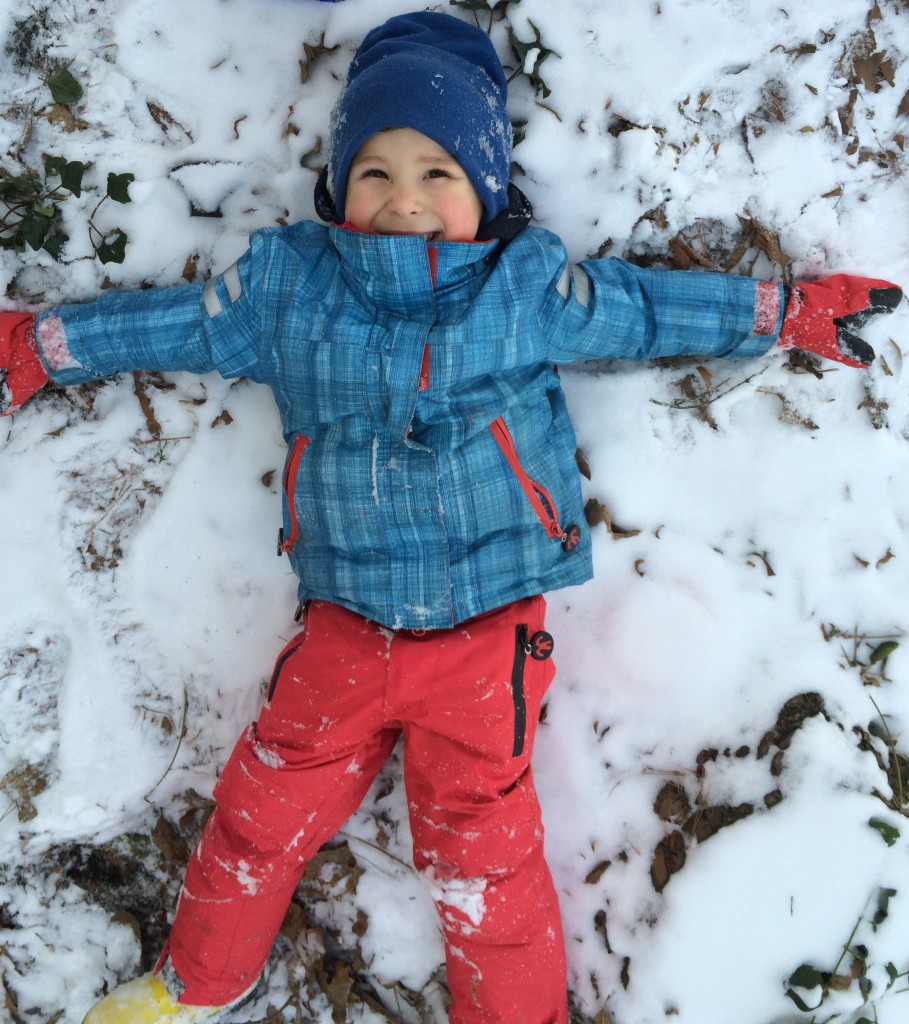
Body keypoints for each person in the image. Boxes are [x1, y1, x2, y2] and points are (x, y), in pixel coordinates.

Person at [0, 11, 901, 1024]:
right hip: (344, 629)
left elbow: (645, 311)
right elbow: (167, 324)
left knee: (484, 863)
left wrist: (781, 311)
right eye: (375, 171)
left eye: (438, 173)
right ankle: (194, 983)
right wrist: (43, 343)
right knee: (257, 814)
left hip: (484, 640)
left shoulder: (522, 290)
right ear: (340, 186)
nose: (405, 200)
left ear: (485, 190)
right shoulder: (288, 290)